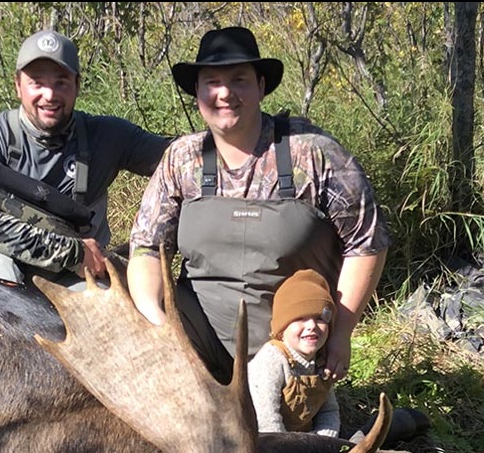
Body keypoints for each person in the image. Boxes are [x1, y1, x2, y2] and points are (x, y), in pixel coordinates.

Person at [128, 26, 388, 384]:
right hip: (197, 347)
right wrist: (156, 323)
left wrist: (341, 332)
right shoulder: (181, 158)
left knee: (277, 437)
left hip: (292, 351)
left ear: (261, 86)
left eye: (239, 80)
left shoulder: (313, 153)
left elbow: (367, 243)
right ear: (198, 92)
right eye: (212, 82)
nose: (225, 93)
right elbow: (145, 247)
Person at [0, 29, 172, 289]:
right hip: (11, 281)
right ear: (18, 85)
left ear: (77, 85)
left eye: (61, 82)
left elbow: (178, 158)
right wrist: (71, 253)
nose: (49, 95)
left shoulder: (107, 136)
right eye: (36, 82)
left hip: (86, 281)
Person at [248, 269, 340, 436]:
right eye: (300, 318)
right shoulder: (272, 359)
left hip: (305, 443)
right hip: (267, 443)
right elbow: (267, 420)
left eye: (320, 318)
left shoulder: (320, 362)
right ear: (282, 330)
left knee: (357, 445)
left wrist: (324, 444)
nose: (312, 325)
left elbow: (329, 411)